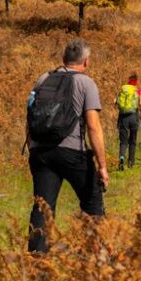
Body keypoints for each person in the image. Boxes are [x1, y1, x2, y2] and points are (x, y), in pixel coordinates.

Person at [26, 39, 106, 253]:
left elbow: (30, 115)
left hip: (40, 152)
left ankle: (37, 260)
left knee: (42, 206)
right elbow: (93, 126)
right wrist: (102, 165)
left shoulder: (43, 79)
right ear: (86, 62)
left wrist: (32, 147)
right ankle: (94, 254)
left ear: (64, 59)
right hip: (72, 151)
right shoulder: (86, 83)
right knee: (92, 201)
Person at [116, 74, 141, 171]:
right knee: (133, 141)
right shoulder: (138, 91)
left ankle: (121, 158)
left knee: (123, 142)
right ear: (136, 82)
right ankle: (131, 162)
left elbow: (116, 101)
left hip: (123, 118)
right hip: (134, 118)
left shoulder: (123, 90)